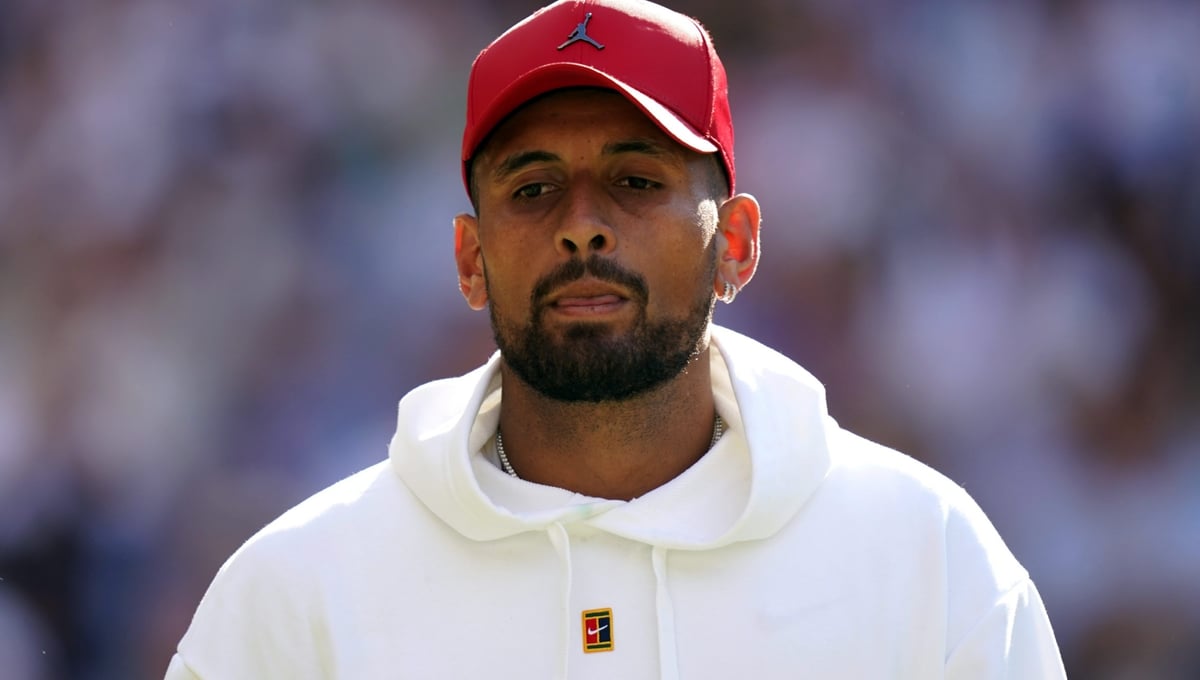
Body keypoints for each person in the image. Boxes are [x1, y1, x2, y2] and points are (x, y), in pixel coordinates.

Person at [166, 0, 1067, 677]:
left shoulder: (927, 557)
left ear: (737, 244)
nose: (582, 228)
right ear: (470, 259)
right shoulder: (295, 595)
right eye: (533, 189)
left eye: (636, 181)